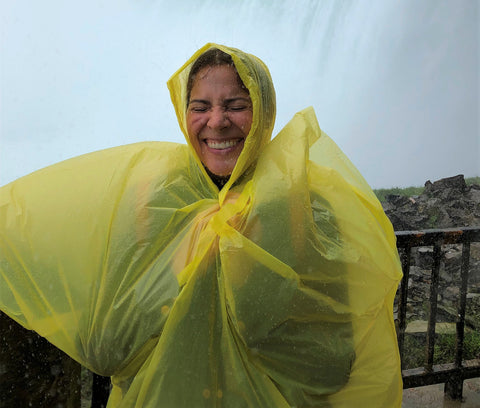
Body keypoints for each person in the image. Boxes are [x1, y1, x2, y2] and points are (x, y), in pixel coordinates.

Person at [0, 43, 403, 407]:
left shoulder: (306, 204)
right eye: (200, 107)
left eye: (235, 104)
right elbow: (112, 344)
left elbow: (330, 361)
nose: (217, 121)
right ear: (184, 112)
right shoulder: (153, 199)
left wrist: (253, 258)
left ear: (262, 111)